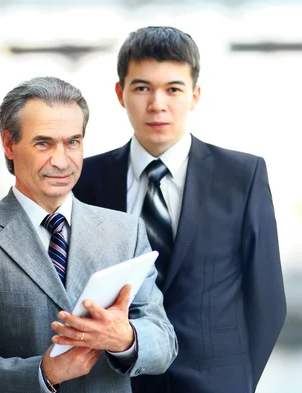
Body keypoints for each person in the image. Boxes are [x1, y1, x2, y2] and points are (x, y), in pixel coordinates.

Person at [0, 76, 177, 393]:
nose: (61, 161)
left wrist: (125, 338)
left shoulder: (125, 232)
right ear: (8, 144)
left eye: (72, 142)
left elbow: (164, 341)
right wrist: (44, 372)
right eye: (44, 143)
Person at [73, 26, 287, 393]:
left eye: (173, 89)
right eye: (142, 88)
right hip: (118, 380)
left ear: (195, 95)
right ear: (120, 94)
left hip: (216, 383)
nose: (157, 104)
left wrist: (241, 382)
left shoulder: (242, 176)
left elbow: (267, 300)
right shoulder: (86, 179)